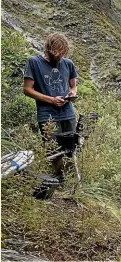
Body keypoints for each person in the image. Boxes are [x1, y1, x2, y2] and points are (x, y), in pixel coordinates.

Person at [23, 33, 78, 179]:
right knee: (52, 150)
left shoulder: (68, 63)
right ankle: (58, 180)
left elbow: (73, 86)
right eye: (57, 53)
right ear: (48, 49)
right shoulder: (33, 62)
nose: (59, 57)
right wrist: (51, 100)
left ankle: (71, 181)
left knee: (72, 148)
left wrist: (71, 94)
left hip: (68, 113)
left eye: (62, 53)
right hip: (46, 114)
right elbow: (27, 89)